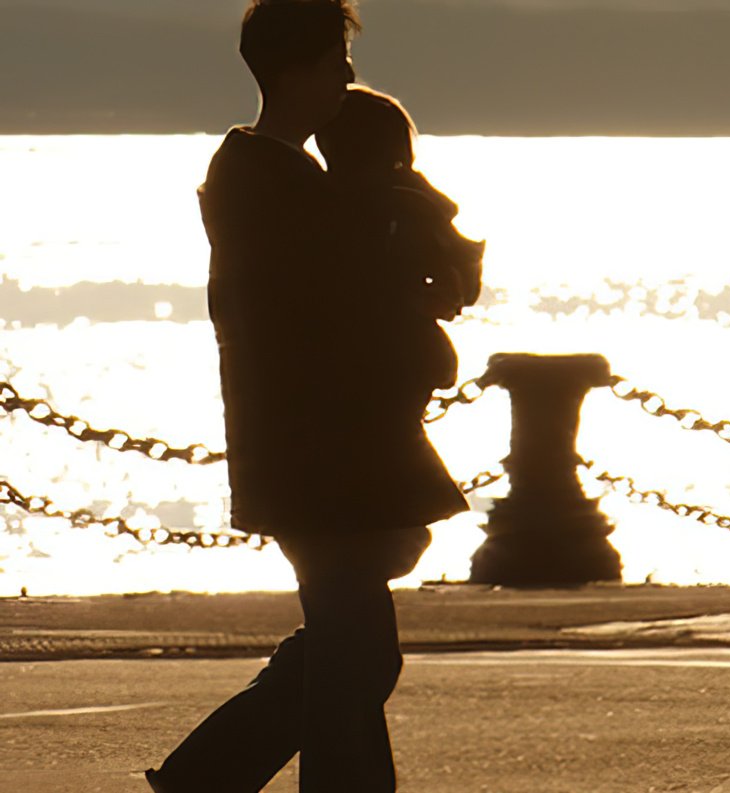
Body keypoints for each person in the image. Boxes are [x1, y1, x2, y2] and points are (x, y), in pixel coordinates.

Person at [145, 1, 468, 791]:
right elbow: (329, 312)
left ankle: (201, 779)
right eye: (333, 63)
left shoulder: (286, 180)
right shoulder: (269, 184)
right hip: (315, 455)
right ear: (294, 73)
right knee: (355, 654)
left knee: (349, 650)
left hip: (323, 453)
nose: (346, 78)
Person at [315, 85, 485, 398]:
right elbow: (467, 285)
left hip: (359, 368)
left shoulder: (320, 202)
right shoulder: (407, 203)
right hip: (401, 365)